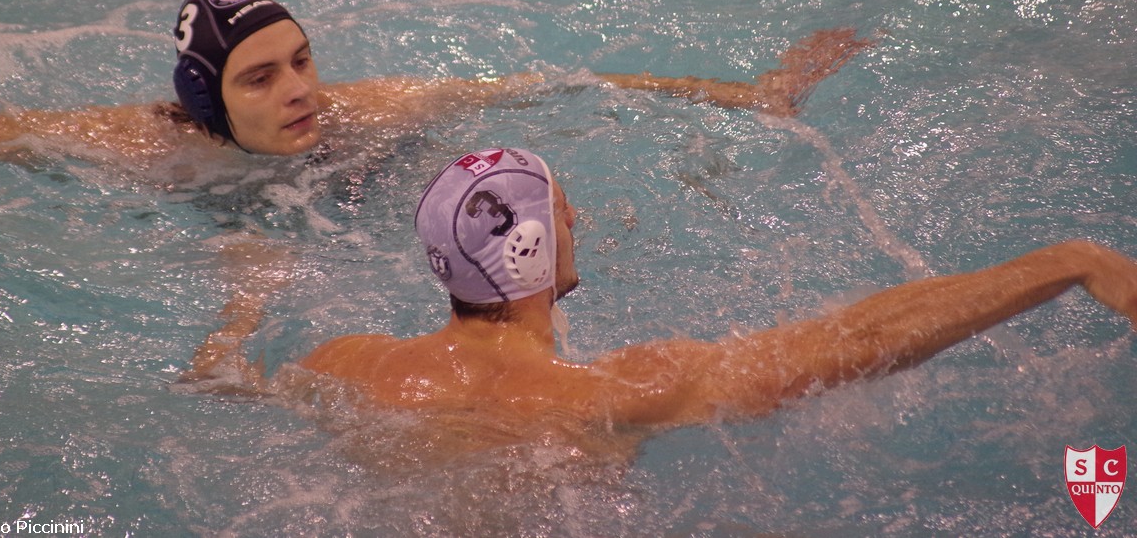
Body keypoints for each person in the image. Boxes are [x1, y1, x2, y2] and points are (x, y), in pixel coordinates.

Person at [184, 147, 1137, 435]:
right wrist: (1064, 261)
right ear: (535, 250)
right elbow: (853, 341)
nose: (581, 222)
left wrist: (243, 304)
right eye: (566, 211)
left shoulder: (346, 364)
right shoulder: (614, 393)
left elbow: (218, 381)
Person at [0, 0, 872, 176]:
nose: (299, 89)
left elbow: (559, 81)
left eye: (301, 60)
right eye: (259, 78)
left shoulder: (372, 114)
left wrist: (747, 94)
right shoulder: (142, 145)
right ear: (208, 103)